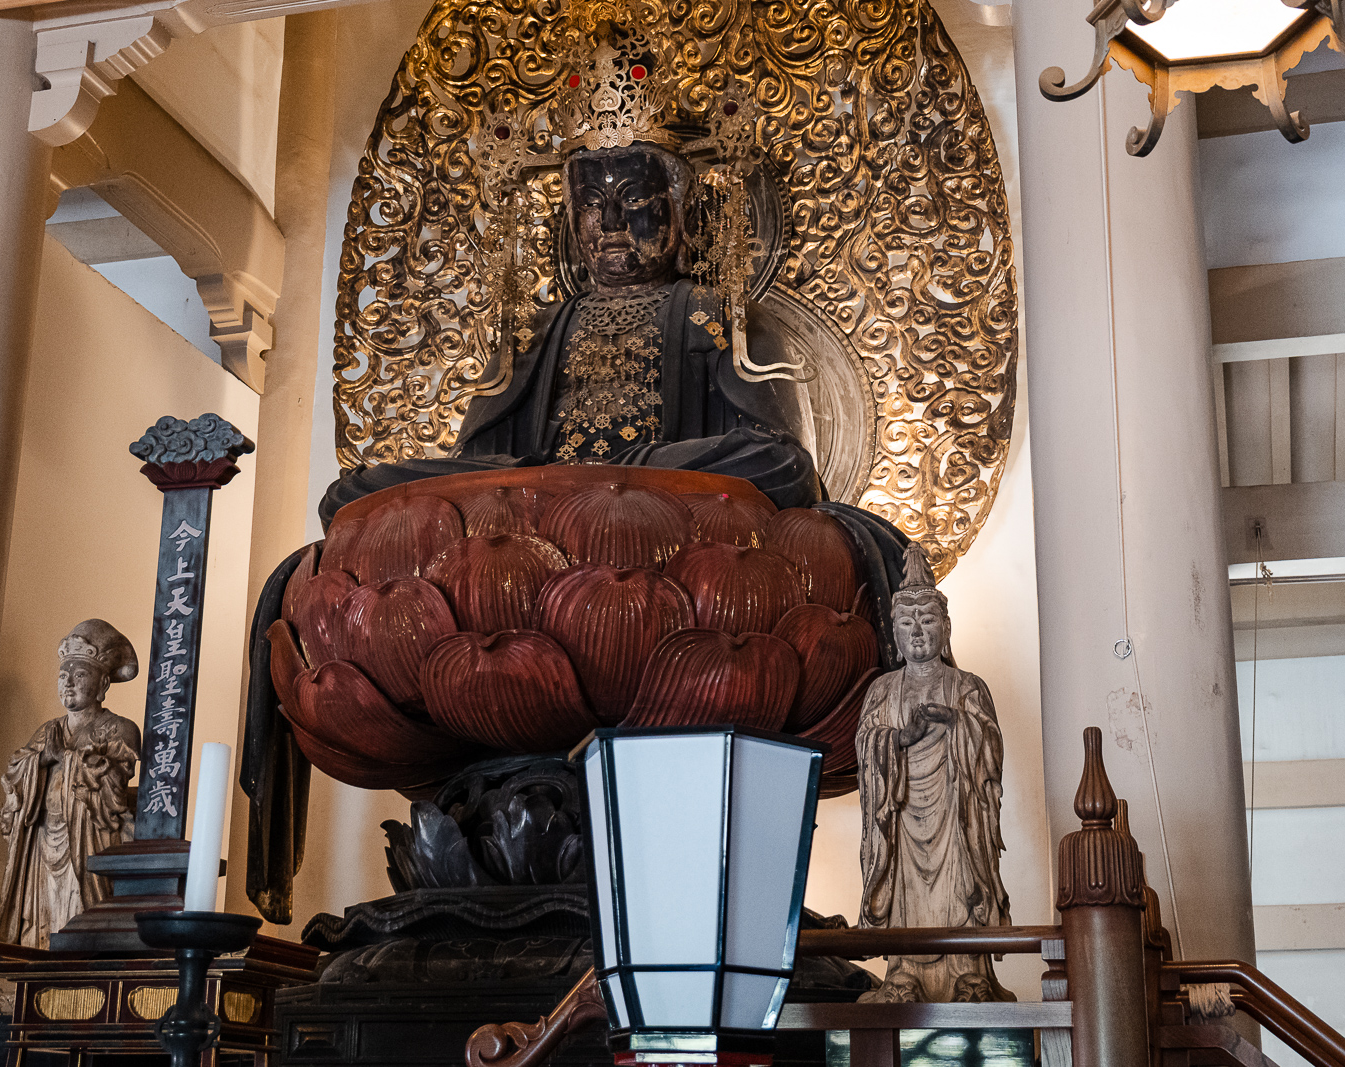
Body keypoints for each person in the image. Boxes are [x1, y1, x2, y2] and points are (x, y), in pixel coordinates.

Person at [319, 134, 821, 524]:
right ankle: (572, 487)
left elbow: (780, 458)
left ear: (681, 211)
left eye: (635, 197)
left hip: (665, 500)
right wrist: (533, 478)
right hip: (534, 492)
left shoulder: (723, 316)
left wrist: (631, 470)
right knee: (353, 494)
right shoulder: (533, 330)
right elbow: (478, 462)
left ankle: (591, 486)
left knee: (777, 467)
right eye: (588, 204)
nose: (609, 220)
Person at [855, 543, 1013, 1003]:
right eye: (907, 623)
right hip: (901, 812)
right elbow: (867, 745)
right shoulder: (882, 690)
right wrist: (901, 738)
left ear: (946, 629)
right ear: (895, 634)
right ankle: (904, 973)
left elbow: (989, 746)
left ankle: (969, 972)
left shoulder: (967, 686)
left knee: (963, 878)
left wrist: (954, 723)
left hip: (956, 807)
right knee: (904, 885)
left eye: (928, 621)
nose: (918, 631)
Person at [0, 620, 141, 949]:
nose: (68, 682)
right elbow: (16, 776)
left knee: (80, 918)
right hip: (43, 842)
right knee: (40, 923)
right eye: (63, 675)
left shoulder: (120, 729)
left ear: (103, 683)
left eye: (79, 674)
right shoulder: (48, 730)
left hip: (88, 840)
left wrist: (67, 758)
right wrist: (42, 761)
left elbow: (114, 786)